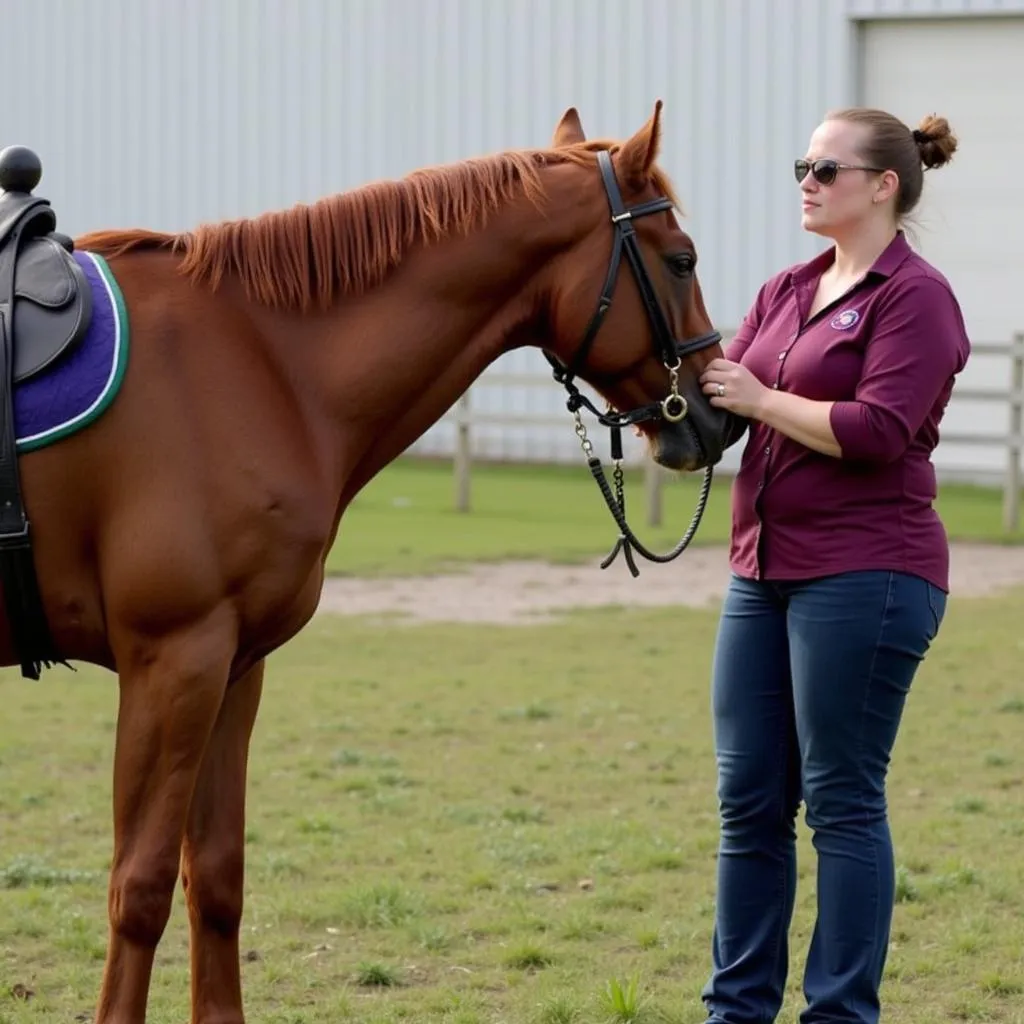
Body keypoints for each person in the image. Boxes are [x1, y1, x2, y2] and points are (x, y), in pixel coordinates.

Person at [695, 107, 970, 1024]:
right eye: (799, 165)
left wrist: (764, 397)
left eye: (825, 166)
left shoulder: (916, 297)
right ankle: (736, 1011)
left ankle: (840, 1013)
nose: (805, 180)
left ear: (882, 185)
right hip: (761, 570)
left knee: (842, 803)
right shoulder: (786, 288)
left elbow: (878, 430)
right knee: (748, 803)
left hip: (868, 573)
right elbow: (722, 406)